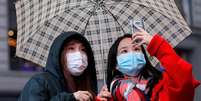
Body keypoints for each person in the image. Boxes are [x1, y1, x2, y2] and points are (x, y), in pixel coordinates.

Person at [106, 28, 200, 101]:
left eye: (136, 49)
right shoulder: (110, 95)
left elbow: (184, 80)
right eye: (124, 51)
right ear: (115, 64)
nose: (132, 54)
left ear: (144, 57)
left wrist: (156, 45)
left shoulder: (163, 87)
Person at [18, 31, 110, 101]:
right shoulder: (40, 82)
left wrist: (97, 99)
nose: (79, 54)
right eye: (71, 48)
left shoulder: (84, 85)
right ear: (59, 54)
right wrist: (71, 98)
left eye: (83, 49)